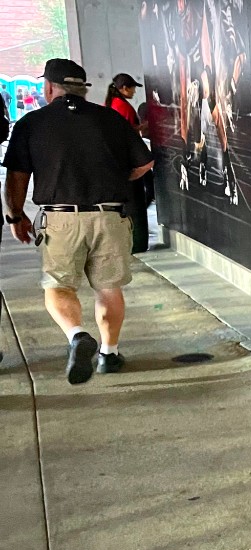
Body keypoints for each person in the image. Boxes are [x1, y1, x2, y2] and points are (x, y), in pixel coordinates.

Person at [2, 59, 153, 384]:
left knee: (58, 286)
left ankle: (77, 335)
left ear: (49, 88)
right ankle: (109, 355)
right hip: (110, 215)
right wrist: (116, 178)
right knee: (108, 288)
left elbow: (17, 175)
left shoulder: (32, 123)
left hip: (61, 219)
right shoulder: (111, 118)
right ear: (82, 88)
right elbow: (144, 164)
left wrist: (16, 214)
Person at [104, 73, 149, 254]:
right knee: (136, 201)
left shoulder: (111, 105)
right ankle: (136, 242)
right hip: (129, 161)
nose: (134, 91)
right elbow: (128, 134)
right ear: (124, 88)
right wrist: (143, 127)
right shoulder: (123, 107)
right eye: (132, 88)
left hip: (118, 161)